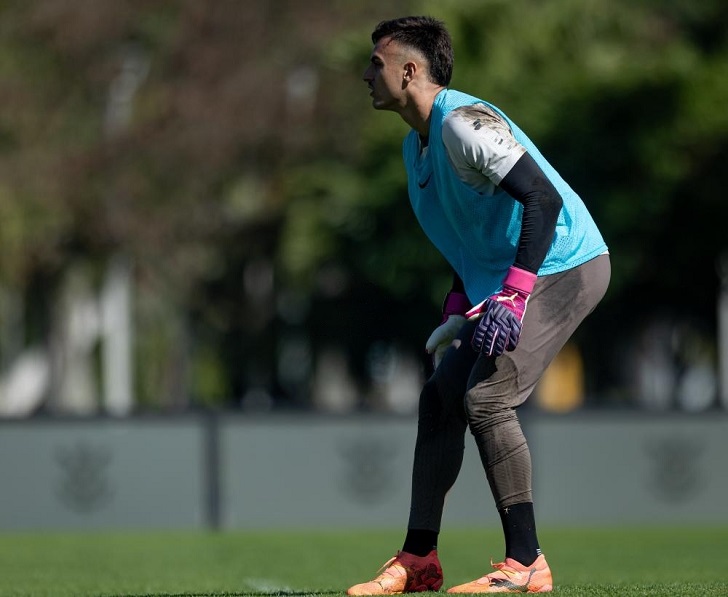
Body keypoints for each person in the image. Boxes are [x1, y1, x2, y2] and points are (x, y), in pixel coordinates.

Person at [348, 16, 610, 595]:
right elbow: (469, 238)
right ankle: (419, 560)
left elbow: (541, 198)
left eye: (375, 63)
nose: (366, 74)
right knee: (440, 396)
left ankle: (527, 563)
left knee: (487, 396)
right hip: (506, 280)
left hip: (565, 263)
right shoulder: (414, 150)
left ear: (410, 71)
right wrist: (456, 307)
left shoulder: (464, 124)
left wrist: (514, 295)